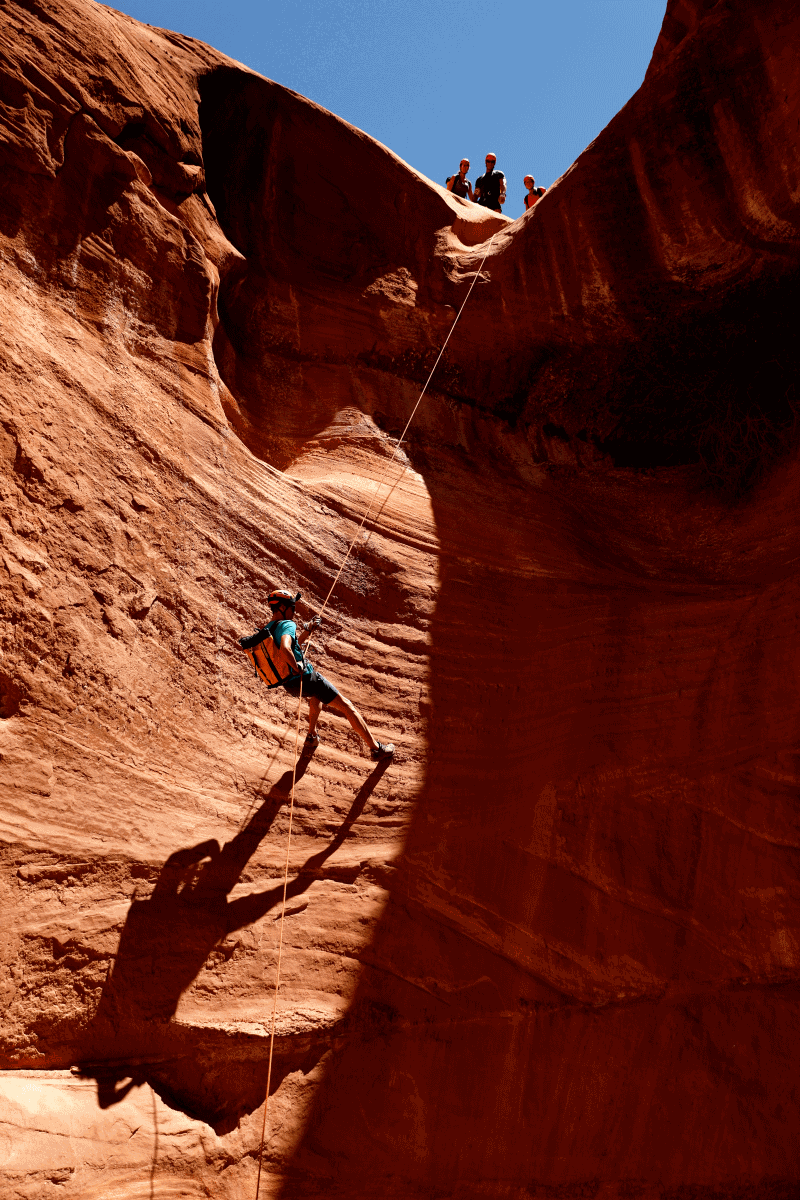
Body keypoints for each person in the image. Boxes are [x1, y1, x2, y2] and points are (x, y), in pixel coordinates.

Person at [240, 589, 395, 761]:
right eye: (292, 607)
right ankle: (377, 749)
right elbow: (285, 648)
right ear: (282, 607)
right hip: (305, 678)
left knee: (316, 697)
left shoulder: (269, 628)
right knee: (347, 706)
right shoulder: (287, 624)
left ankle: (312, 736)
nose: (294, 611)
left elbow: (292, 646)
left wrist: (308, 630)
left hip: (288, 684)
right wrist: (297, 666)